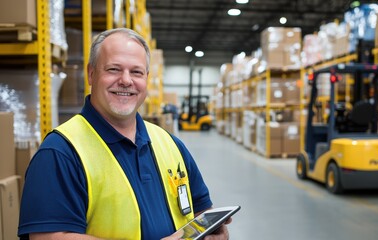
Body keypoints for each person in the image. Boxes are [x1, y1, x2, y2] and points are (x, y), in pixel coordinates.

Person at [18, 28, 231, 240]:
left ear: (146, 78)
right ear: (91, 74)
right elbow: (48, 237)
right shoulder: (60, 152)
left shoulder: (170, 144)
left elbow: (200, 209)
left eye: (136, 72)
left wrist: (213, 233)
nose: (126, 80)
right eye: (113, 69)